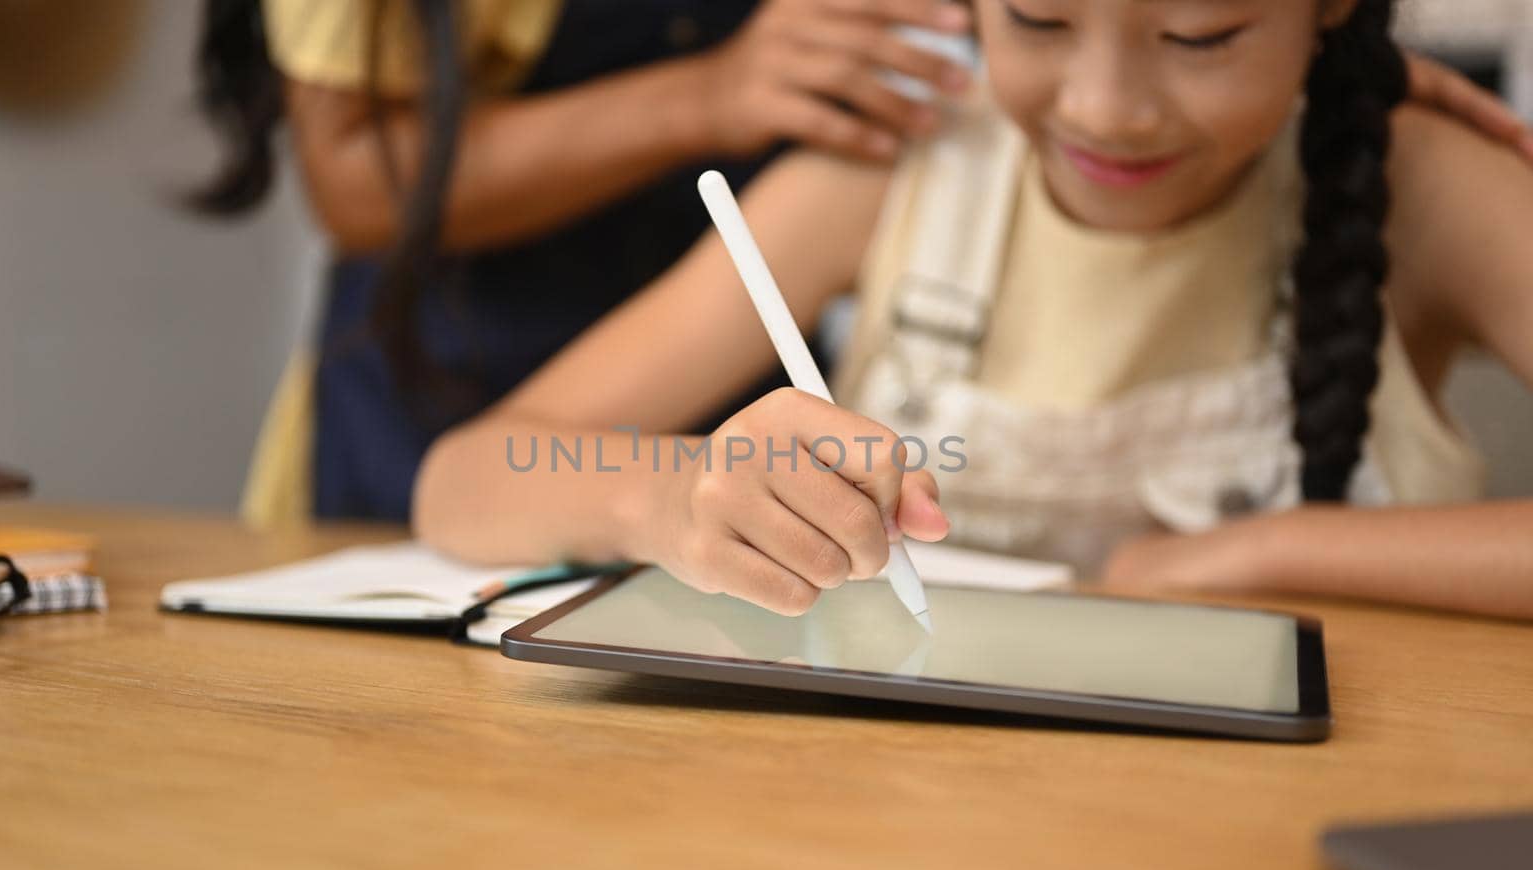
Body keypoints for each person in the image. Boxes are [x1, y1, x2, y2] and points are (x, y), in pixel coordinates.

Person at [412, 0, 1533, 620]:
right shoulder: (897, 168)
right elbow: (461, 479)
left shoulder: (1425, 184)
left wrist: (1263, 552)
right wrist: (672, 496)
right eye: (1037, 20)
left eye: (1200, 37)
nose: (1105, 109)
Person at [192, 0, 979, 523]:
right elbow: (357, 180)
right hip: (429, 401)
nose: (1100, 109)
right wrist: (707, 95)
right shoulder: (828, 211)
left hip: (734, 420)